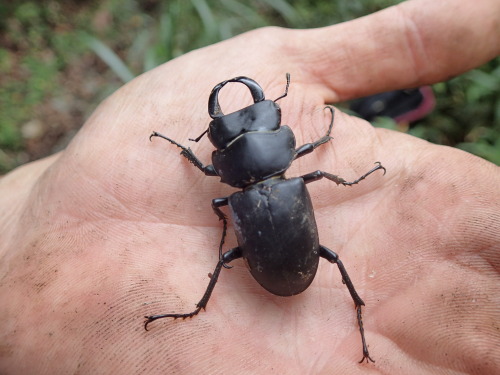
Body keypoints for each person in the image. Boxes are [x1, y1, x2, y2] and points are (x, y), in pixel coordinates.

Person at [0, 0, 498, 373]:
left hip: (272, 260)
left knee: (236, 254)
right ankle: (348, 319)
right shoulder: (291, 176)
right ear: (283, 146)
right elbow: (300, 171)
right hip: (284, 258)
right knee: (335, 256)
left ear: (224, 161)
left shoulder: (227, 192)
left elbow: (209, 177)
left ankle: (198, 308)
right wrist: (328, 145)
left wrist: (207, 182)